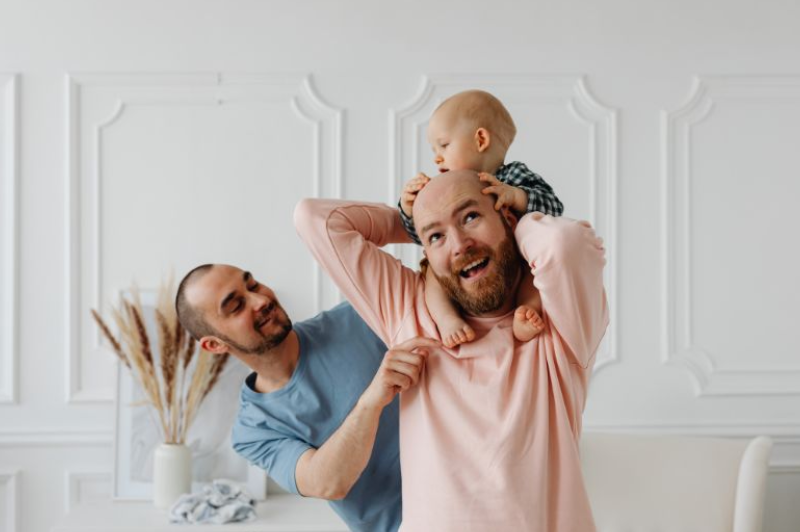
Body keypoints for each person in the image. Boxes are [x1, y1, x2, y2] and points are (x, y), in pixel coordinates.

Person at [295, 170, 609, 532]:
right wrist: (411, 221)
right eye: (437, 236)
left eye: (471, 217)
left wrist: (516, 217)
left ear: (507, 219)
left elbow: (565, 243)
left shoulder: (558, 326)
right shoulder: (411, 312)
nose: (460, 245)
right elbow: (313, 219)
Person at [174, 264, 438, 532]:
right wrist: (371, 401)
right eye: (236, 306)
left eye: (253, 285)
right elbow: (328, 483)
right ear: (215, 345)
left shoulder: (361, 315)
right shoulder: (253, 431)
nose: (260, 300)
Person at [398, 90, 564, 348]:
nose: (437, 158)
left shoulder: (512, 175)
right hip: (472, 269)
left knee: (535, 273)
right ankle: (447, 319)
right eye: (435, 150)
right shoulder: (445, 188)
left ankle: (527, 312)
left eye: (444, 145)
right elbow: (423, 235)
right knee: (431, 271)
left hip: (513, 259)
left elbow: (554, 208)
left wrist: (516, 195)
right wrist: (408, 208)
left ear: (481, 139)